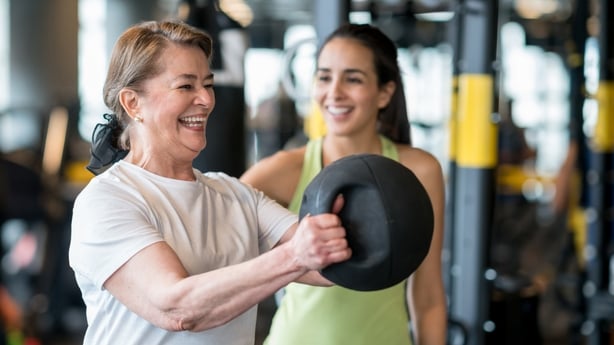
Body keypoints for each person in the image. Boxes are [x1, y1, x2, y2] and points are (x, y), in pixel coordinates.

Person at [68, 19, 352, 345]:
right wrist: (294, 256)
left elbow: (326, 263)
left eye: (208, 84)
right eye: (186, 86)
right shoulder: (109, 200)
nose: (205, 99)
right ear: (133, 103)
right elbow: (177, 307)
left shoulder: (237, 196)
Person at [240, 23, 447, 345]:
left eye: (353, 79)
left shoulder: (419, 170)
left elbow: (428, 295)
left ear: (385, 92)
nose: (333, 92)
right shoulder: (284, 170)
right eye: (324, 77)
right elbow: (219, 247)